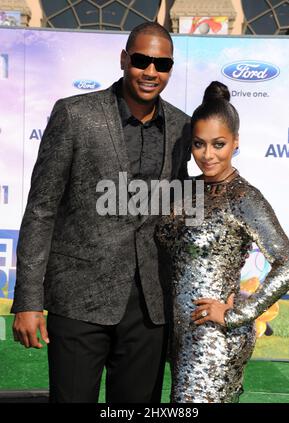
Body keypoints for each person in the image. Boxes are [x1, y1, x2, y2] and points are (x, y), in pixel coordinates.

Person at [11, 22, 190, 403]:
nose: (151, 72)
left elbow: (182, 214)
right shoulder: (75, 115)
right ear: (125, 59)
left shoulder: (182, 127)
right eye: (142, 60)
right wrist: (28, 300)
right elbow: (41, 209)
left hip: (149, 308)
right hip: (78, 299)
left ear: (170, 68)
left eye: (162, 64)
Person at [156, 81, 289, 403]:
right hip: (180, 335)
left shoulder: (245, 197)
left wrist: (238, 314)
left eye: (218, 144)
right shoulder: (185, 190)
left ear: (235, 142)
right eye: (199, 144)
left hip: (214, 338)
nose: (207, 155)